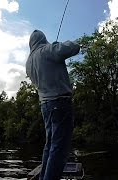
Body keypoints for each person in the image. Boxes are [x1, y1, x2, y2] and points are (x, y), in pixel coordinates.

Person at [26, 30, 80, 180]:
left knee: (50, 146)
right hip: (60, 103)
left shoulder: (29, 63)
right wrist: (53, 45)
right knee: (59, 148)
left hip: (45, 106)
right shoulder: (47, 50)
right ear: (43, 39)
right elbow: (74, 47)